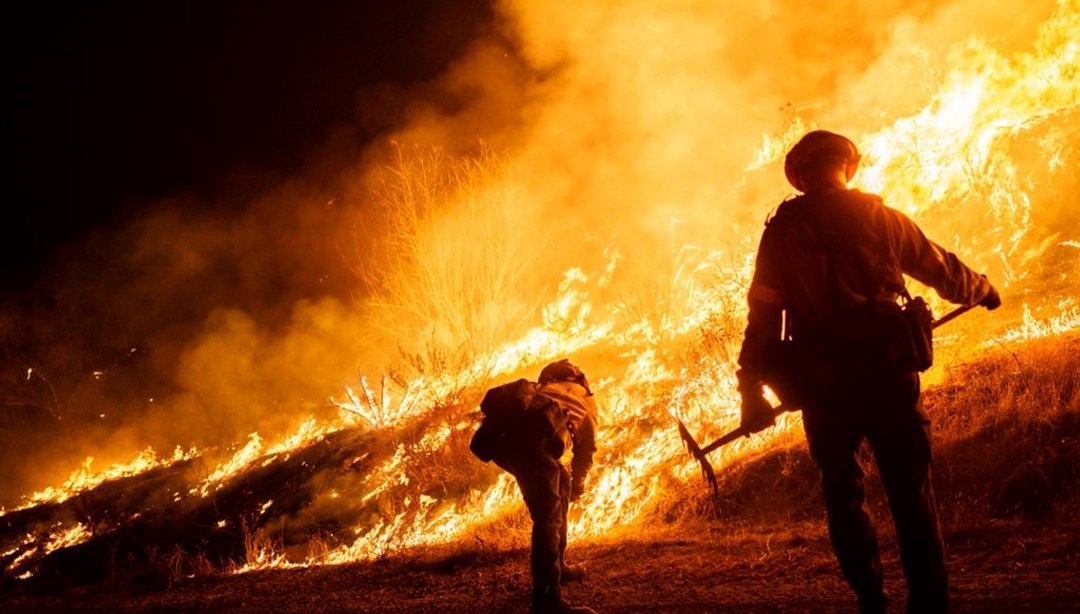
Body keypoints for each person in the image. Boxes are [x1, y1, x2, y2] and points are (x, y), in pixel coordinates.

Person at [735, 130, 1001, 614]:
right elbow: (939, 268)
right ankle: (929, 603)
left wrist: (750, 391)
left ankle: (872, 602)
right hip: (888, 374)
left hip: (824, 385)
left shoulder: (782, 233)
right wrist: (982, 290)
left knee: (843, 494)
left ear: (799, 175)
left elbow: (763, 319)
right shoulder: (880, 217)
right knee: (911, 492)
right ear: (848, 165)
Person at [502, 359, 599, 614]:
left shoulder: (541, 390)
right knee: (548, 517)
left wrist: (571, 484)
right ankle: (546, 600)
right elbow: (585, 450)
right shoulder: (582, 398)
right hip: (533, 446)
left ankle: (559, 565)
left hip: (504, 443)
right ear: (578, 379)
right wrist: (580, 485)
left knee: (560, 482)